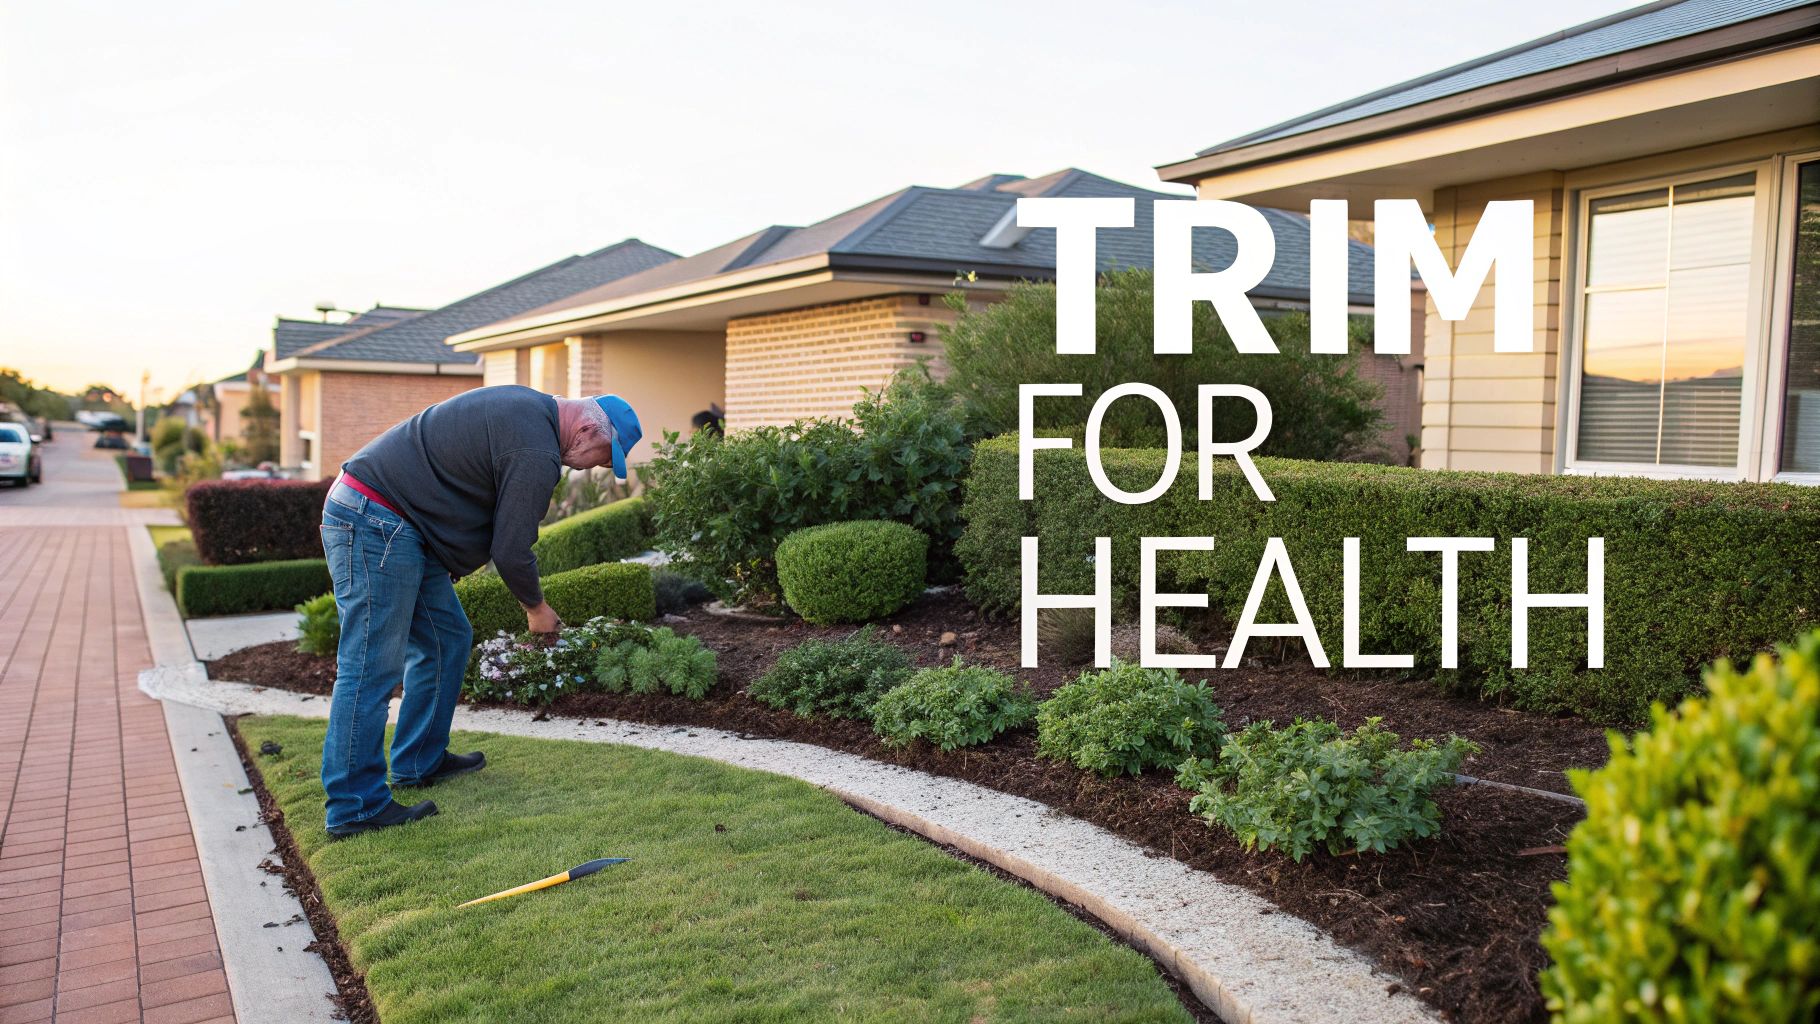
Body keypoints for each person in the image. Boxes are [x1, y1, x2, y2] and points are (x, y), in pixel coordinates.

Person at [317, 385, 640, 837]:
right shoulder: (536, 447)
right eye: (606, 457)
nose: (598, 467)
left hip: (398, 524)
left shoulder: (528, 410)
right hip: (378, 520)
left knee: (447, 638)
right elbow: (510, 550)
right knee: (370, 667)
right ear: (586, 431)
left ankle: (418, 760)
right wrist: (537, 609)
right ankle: (354, 806)